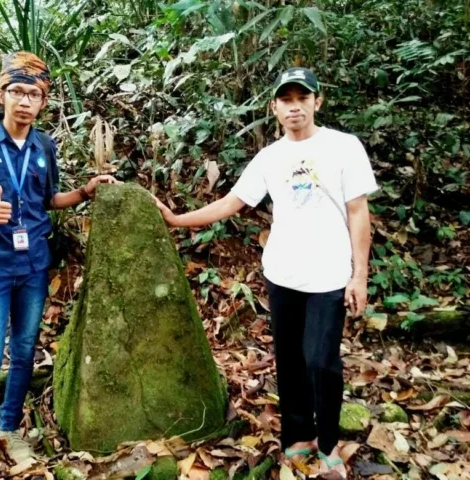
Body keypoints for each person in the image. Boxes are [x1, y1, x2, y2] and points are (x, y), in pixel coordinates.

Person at [154, 67, 377, 478]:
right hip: (282, 273)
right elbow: (231, 203)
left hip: (329, 274)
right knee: (290, 360)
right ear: (274, 107)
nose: (295, 107)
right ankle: (297, 437)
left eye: (302, 98)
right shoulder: (270, 157)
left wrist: (358, 275)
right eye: (286, 100)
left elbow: (358, 211)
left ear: (317, 101)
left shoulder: (344, 147)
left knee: (321, 361)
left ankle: (329, 445)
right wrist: (176, 219)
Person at [0, 51, 117, 480]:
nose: (24, 101)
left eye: (33, 94)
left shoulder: (43, 145)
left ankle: (8, 431)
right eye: (16, 91)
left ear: (42, 102)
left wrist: (85, 192)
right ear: (1, 95)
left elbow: (47, 200)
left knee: (23, 353)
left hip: (33, 264)